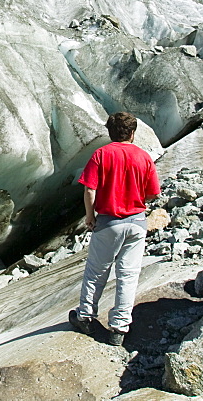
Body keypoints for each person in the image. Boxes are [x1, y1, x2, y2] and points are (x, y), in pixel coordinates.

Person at [69, 111, 160, 346]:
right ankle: (118, 329)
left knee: (96, 272)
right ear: (132, 133)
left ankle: (86, 317)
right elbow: (151, 193)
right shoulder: (143, 157)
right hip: (137, 222)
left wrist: (90, 216)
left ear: (110, 133)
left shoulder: (101, 154)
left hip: (109, 222)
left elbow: (89, 189)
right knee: (128, 275)